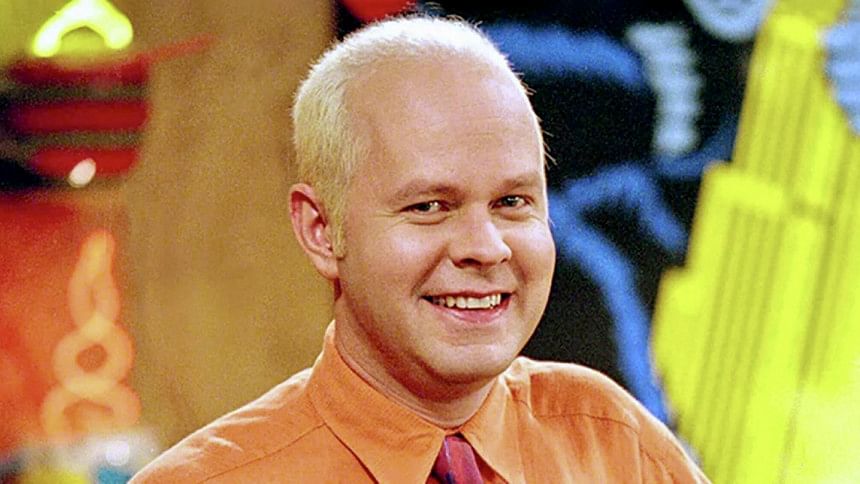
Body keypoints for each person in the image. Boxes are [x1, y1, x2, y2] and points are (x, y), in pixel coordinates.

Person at [132, 16, 709, 483]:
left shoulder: (615, 444)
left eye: (512, 202)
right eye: (430, 206)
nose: (486, 247)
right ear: (321, 230)